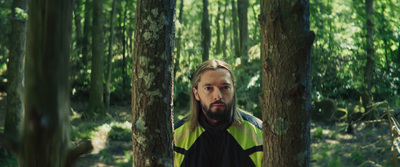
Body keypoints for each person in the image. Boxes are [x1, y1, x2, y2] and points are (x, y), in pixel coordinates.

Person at [174, 59, 263, 167]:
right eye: (208, 88)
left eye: (225, 87)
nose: (218, 95)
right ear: (196, 93)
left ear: (233, 90)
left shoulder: (259, 134)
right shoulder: (175, 138)